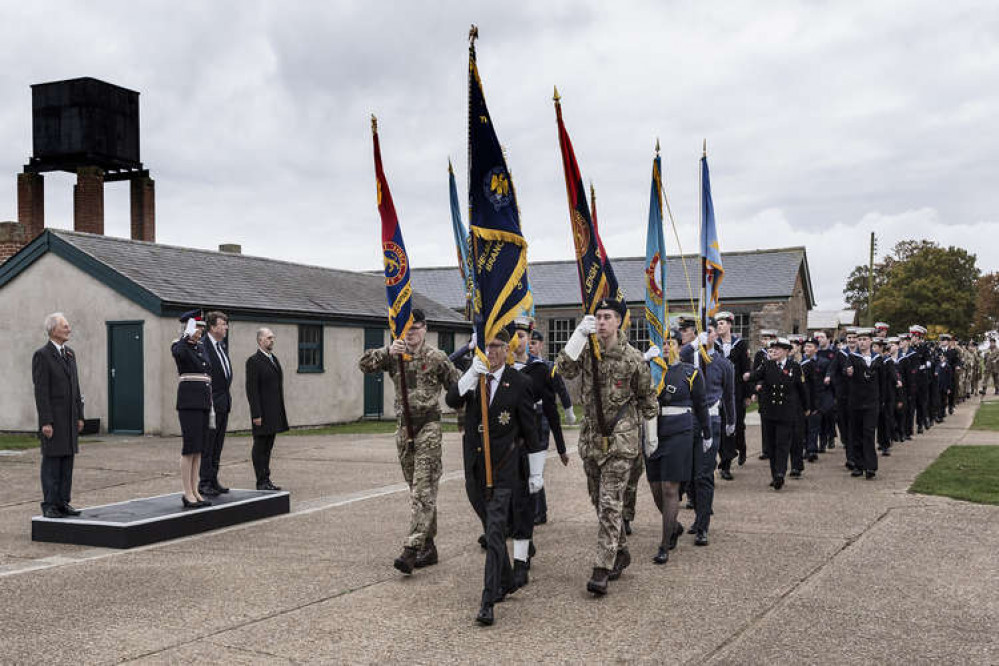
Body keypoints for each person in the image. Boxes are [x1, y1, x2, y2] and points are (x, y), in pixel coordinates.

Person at [557, 298, 658, 595]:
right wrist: (577, 337)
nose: (601, 322)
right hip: (591, 440)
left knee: (611, 504)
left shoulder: (633, 358)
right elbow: (563, 369)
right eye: (598, 317)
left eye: (607, 317)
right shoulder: (588, 351)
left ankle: (602, 567)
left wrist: (651, 435)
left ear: (619, 322)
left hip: (621, 441)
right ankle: (620, 551)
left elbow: (647, 399)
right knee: (598, 501)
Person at [446, 328, 538, 626]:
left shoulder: (520, 383)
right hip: (475, 467)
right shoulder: (475, 377)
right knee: (491, 527)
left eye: (498, 346)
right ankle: (509, 579)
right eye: (487, 346)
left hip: (504, 468)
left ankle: (488, 601)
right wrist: (472, 373)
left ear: (507, 348)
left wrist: (535, 472)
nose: (493, 352)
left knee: (495, 532)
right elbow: (451, 401)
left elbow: (530, 431)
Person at [358, 309, 459, 574]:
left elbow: (457, 388)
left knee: (423, 489)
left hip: (429, 427)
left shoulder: (436, 358)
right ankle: (429, 546)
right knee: (417, 490)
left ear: (426, 329)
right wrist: (387, 351)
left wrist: (465, 420)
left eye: (416, 328)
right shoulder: (395, 355)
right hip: (404, 431)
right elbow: (364, 364)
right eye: (407, 329)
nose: (412, 333)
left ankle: (411, 549)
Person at [644, 332, 709, 563]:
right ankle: (674, 525)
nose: (666, 346)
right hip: (653, 432)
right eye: (662, 342)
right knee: (655, 488)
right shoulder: (650, 371)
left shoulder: (690, 372)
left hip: (679, 432)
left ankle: (664, 544)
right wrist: (643, 363)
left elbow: (701, 405)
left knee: (670, 488)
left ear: (680, 347)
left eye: (670, 342)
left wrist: (707, 433)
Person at [510, 318, 570, 527]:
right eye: (513, 336)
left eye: (521, 336)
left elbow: (552, 408)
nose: (517, 341)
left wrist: (561, 447)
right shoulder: (501, 368)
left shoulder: (539, 368)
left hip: (535, 425)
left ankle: (536, 511)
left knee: (532, 471)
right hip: (509, 430)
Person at [684, 323, 734, 546]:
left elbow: (729, 395)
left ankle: (703, 525)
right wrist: (693, 344)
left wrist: (731, 420)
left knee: (704, 474)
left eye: (711, 331)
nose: (707, 335)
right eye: (703, 332)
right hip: (687, 421)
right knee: (688, 475)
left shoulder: (723, 364)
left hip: (711, 421)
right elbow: (675, 357)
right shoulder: (689, 358)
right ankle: (697, 513)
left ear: (716, 336)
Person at [32, 313, 85, 518]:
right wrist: (46, 421)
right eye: (65, 326)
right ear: (53, 330)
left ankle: (63, 502)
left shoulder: (69, 354)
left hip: (70, 418)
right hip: (54, 420)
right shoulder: (42, 355)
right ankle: (50, 505)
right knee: (52, 463)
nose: (69, 329)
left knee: (67, 462)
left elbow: (76, 387)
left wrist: (80, 416)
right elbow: (41, 391)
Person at [750, 337, 809, 490]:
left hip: (786, 412)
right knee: (772, 445)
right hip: (770, 411)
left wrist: (806, 407)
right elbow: (754, 377)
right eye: (773, 349)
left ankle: (780, 474)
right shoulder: (767, 365)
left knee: (782, 444)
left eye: (778, 349)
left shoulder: (794, 367)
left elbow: (802, 389)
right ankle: (774, 473)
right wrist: (747, 377)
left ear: (787, 351)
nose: (774, 351)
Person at [171, 310, 212, 508]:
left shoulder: (200, 347)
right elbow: (178, 353)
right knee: (189, 448)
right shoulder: (180, 346)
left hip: (203, 400)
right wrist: (184, 336)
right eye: (197, 328)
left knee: (199, 449)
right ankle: (187, 493)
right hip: (189, 402)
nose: (200, 332)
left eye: (202, 329)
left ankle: (195, 489)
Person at [245, 328, 289, 491]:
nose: (272, 340)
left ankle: (267, 479)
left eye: (273, 338)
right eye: (269, 338)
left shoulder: (274, 359)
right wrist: (256, 414)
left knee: (268, 447)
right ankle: (260, 480)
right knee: (260, 446)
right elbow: (252, 390)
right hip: (261, 413)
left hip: (274, 412)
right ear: (260, 340)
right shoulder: (254, 361)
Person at [842, 328, 886, 479]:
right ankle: (858, 465)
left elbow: (882, 381)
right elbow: (845, 373)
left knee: (868, 433)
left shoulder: (878, 359)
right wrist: (847, 373)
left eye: (864, 340)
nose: (861, 342)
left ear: (870, 342)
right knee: (856, 434)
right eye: (859, 340)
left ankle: (871, 466)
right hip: (856, 402)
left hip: (872, 402)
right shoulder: (852, 357)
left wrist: (882, 400)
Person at [199, 311, 233, 498]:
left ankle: (213, 479)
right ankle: (204, 482)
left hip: (223, 403)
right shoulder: (203, 346)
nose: (226, 327)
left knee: (218, 444)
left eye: (226, 324)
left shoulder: (222, 346)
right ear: (212, 327)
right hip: (211, 403)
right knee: (208, 444)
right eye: (222, 324)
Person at [715, 311, 750, 480]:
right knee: (720, 427)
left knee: (735, 426)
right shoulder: (714, 345)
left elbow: (746, 370)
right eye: (718, 323)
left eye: (722, 323)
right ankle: (725, 459)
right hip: (717, 392)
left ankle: (736, 453)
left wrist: (748, 394)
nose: (720, 326)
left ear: (730, 325)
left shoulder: (740, 345)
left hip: (736, 392)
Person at [753, 329, 778, 460]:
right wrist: (755, 390)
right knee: (765, 421)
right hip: (764, 392)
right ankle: (766, 449)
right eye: (764, 338)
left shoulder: (778, 354)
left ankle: (777, 448)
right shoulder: (759, 355)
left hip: (777, 391)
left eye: (770, 338)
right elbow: (756, 372)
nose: (767, 341)